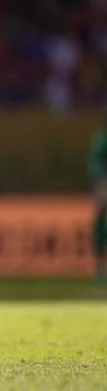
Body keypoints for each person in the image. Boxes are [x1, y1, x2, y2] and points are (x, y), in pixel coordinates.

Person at [88, 115, 107, 282]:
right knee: (100, 222)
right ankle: (100, 266)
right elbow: (95, 165)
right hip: (104, 182)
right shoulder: (102, 139)